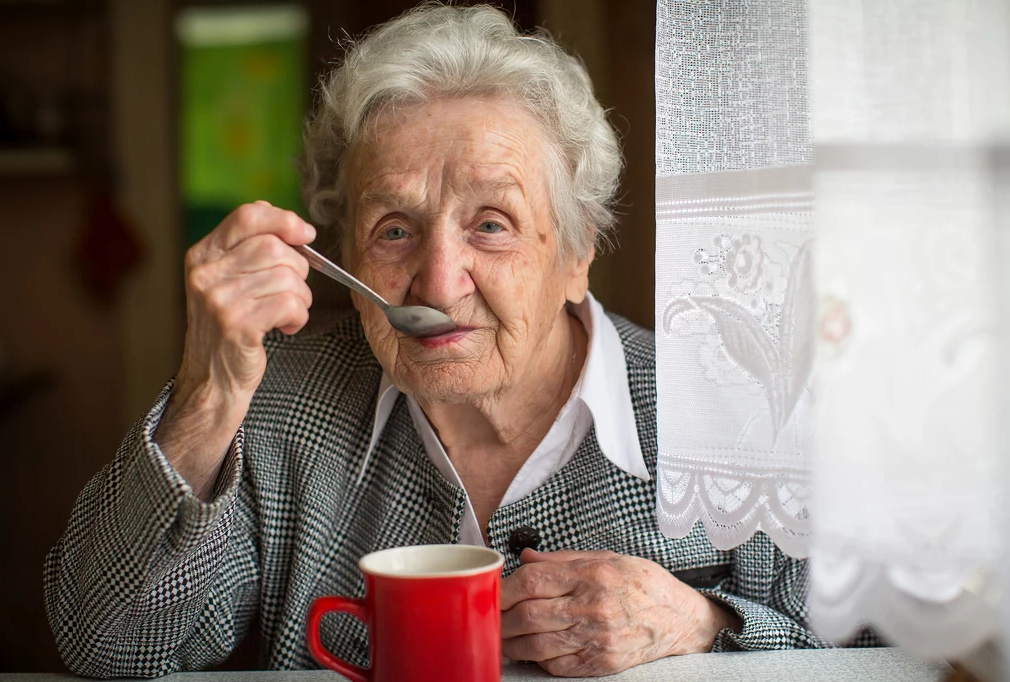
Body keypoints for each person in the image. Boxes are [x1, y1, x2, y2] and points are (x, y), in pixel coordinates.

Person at [45, 4, 875, 678]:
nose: (440, 283)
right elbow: (108, 646)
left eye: (491, 223)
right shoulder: (270, 411)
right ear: (342, 250)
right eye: (395, 229)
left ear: (577, 250)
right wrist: (207, 394)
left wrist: (707, 624)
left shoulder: (742, 418)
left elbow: (912, 654)